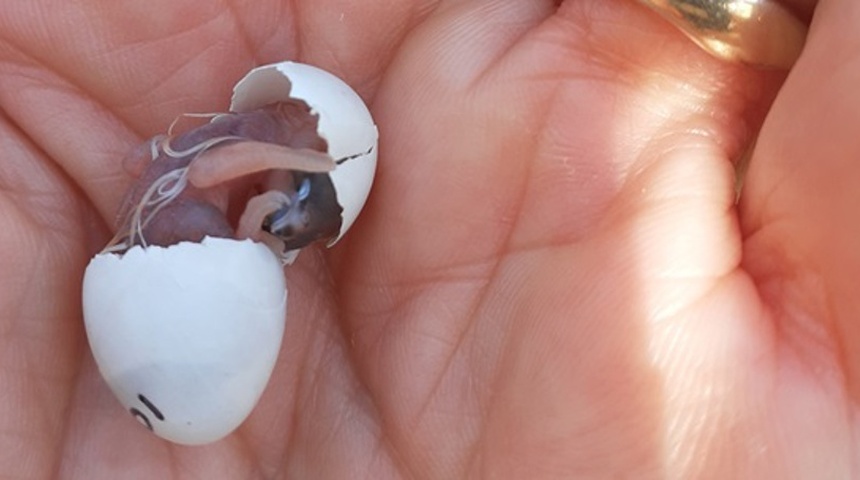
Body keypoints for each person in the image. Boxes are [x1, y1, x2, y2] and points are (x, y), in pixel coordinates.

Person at [0, 0, 845, 477]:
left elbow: (227, 176)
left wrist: (289, 171)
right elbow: (242, 177)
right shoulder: (216, 199)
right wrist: (293, 160)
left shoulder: (198, 195)